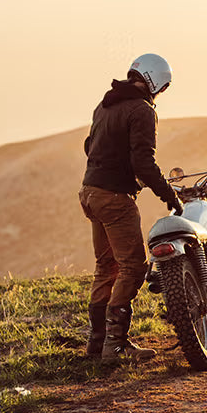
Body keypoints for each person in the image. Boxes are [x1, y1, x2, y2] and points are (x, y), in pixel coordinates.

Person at [78, 53, 184, 362]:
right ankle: (116, 345)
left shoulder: (105, 105)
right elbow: (144, 162)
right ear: (156, 83)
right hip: (113, 199)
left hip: (90, 193)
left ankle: (97, 343)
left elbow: (89, 146)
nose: (161, 94)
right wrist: (169, 196)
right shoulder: (141, 110)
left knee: (107, 266)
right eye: (163, 88)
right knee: (134, 267)